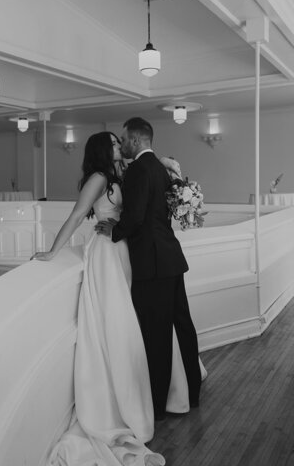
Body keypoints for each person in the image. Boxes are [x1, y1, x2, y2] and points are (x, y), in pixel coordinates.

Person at [31, 131, 166, 465]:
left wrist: (166, 164)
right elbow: (78, 214)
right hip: (106, 253)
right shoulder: (98, 178)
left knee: (125, 320)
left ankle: (131, 397)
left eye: (121, 142)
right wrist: (52, 251)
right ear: (104, 151)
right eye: (115, 144)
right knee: (114, 320)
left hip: (122, 251)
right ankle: (114, 402)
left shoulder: (120, 175)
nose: (121, 146)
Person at [96, 117, 202, 420]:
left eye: (125, 139)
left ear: (137, 141)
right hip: (170, 258)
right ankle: (191, 391)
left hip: (152, 265)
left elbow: (137, 217)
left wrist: (114, 230)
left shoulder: (139, 171)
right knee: (183, 326)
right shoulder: (159, 168)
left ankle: (155, 406)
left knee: (156, 337)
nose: (123, 144)